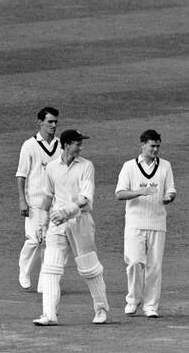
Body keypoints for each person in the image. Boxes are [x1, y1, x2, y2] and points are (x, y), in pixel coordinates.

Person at [34, 130, 110, 326]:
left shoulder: (86, 166)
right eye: (77, 143)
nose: (81, 147)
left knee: (89, 268)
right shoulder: (51, 168)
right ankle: (49, 314)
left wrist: (65, 212)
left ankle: (101, 309)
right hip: (57, 224)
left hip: (80, 221)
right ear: (67, 145)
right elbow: (48, 197)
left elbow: (85, 198)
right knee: (51, 267)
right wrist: (41, 223)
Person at [114, 130, 176, 318]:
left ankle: (151, 306)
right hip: (134, 222)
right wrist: (141, 192)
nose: (155, 150)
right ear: (142, 145)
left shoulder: (165, 166)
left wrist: (169, 197)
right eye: (152, 146)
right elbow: (119, 194)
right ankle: (133, 300)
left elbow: (171, 189)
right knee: (134, 262)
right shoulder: (129, 167)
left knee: (154, 266)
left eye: (158, 146)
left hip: (157, 222)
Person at [15, 106, 60, 291]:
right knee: (34, 240)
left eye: (56, 122)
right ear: (40, 122)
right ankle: (24, 271)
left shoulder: (59, 145)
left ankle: (44, 281)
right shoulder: (30, 145)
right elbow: (21, 174)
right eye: (50, 121)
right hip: (34, 201)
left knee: (49, 242)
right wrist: (21, 200)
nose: (54, 125)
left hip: (55, 202)